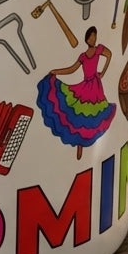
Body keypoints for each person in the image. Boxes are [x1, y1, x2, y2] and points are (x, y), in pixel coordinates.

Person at [36, 26, 116, 158]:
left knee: (92, 116)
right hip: (85, 86)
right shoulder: (83, 56)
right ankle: (79, 147)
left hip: (95, 87)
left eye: (94, 36)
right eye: (90, 37)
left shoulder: (99, 50)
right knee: (77, 115)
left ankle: (84, 147)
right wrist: (56, 71)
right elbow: (72, 69)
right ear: (87, 39)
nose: (93, 39)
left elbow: (109, 55)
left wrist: (102, 72)